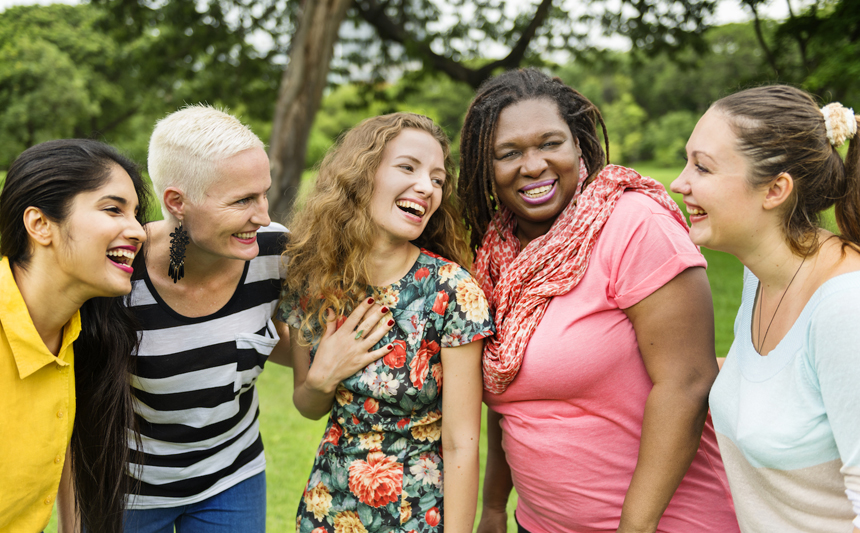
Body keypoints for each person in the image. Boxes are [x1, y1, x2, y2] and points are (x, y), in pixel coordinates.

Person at [458, 68, 739, 533]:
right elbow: (511, 399)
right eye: (509, 153)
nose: (532, 166)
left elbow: (687, 385)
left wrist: (635, 527)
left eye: (550, 143)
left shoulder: (632, 224)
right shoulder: (494, 257)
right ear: (486, 168)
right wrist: (493, 507)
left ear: (578, 144)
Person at [278, 112, 493, 532]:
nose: (427, 187)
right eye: (407, 167)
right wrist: (323, 377)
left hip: (418, 514)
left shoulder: (451, 291)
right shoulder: (313, 277)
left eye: (437, 179)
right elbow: (307, 405)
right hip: (329, 508)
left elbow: (462, 443)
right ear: (362, 175)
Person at [670, 85, 860, 532]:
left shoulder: (844, 311)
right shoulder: (762, 275)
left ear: (775, 189)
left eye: (703, 167)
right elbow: (778, 386)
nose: (680, 183)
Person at [122, 105, 290, 532]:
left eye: (263, 193)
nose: (264, 216)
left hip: (233, 475)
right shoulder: (120, 273)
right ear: (177, 202)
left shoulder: (274, 253)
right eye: (243, 200)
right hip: (132, 489)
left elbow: (279, 342)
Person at [0, 139, 149, 533]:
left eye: (135, 214)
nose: (138, 231)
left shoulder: (78, 334)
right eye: (113, 209)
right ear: (40, 225)